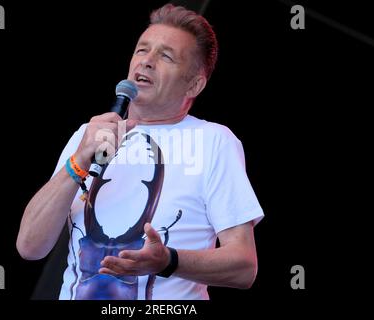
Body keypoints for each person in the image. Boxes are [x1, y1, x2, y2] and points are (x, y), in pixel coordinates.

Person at [17, 4, 264, 300]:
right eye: (142, 50)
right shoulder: (90, 135)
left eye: (165, 56)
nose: (146, 62)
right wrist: (79, 160)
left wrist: (168, 261)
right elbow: (30, 247)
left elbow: (244, 266)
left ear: (194, 84)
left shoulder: (213, 141)